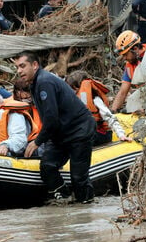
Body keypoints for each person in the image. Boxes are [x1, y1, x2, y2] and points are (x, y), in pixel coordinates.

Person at [14, 51, 96, 203]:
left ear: (35, 65)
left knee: (79, 177)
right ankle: (66, 199)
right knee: (47, 167)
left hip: (79, 130)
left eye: (22, 66)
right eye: (17, 67)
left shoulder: (45, 82)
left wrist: (37, 142)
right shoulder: (34, 83)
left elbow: (51, 118)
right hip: (60, 134)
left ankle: (85, 207)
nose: (19, 71)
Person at [65, 70, 132, 145]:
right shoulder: (74, 101)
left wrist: (121, 135)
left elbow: (109, 117)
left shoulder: (95, 99)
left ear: (78, 87)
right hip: (86, 132)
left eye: (73, 89)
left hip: (101, 134)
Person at [0, 91, 39, 157]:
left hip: (29, 154)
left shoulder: (14, 115)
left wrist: (6, 145)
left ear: (1, 104)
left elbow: (19, 138)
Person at [111, 30, 146, 113]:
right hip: (144, 99)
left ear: (135, 48)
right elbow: (123, 92)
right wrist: (113, 112)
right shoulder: (130, 65)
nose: (124, 58)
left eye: (125, 54)